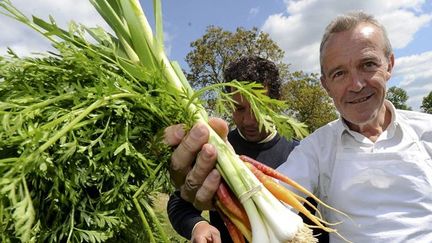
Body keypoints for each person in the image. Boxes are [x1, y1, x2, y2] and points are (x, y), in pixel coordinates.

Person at [164, 11, 432, 242]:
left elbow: (315, 226)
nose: (357, 84)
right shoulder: (312, 150)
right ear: (326, 84)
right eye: (339, 73)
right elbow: (185, 200)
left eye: (368, 65)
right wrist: (211, 207)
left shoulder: (296, 148)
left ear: (390, 65)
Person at [167, 56, 308, 243]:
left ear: (277, 102)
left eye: (259, 107)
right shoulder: (212, 150)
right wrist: (198, 225)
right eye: (239, 108)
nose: (248, 120)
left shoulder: (299, 153)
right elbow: (179, 203)